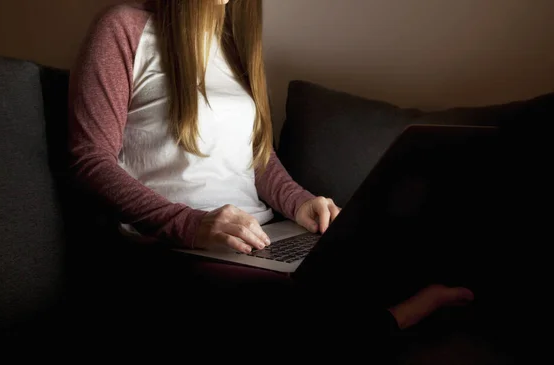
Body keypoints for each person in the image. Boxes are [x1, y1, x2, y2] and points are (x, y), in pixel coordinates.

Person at [67, 0, 475, 349]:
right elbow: (90, 158)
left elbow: (258, 158)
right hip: (173, 246)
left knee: (377, 244)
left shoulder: (232, 46)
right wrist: (190, 224)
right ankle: (398, 319)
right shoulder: (122, 27)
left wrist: (300, 203)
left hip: (260, 238)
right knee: (289, 310)